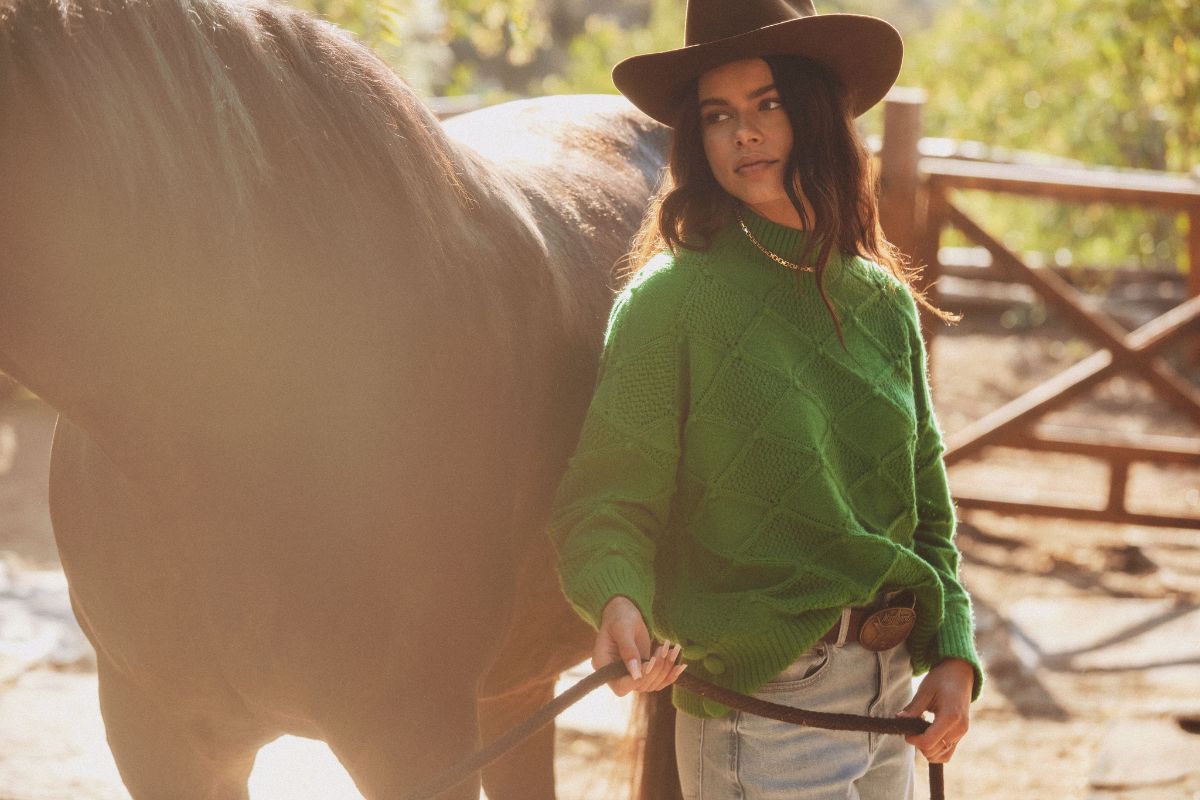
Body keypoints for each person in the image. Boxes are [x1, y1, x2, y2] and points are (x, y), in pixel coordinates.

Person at [548, 1, 982, 797]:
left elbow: (928, 511)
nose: (742, 133)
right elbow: (606, 498)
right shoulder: (671, 300)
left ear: (817, 112)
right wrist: (616, 598)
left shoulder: (883, 301)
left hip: (894, 698)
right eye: (718, 115)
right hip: (765, 711)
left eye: (767, 104)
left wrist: (952, 650)